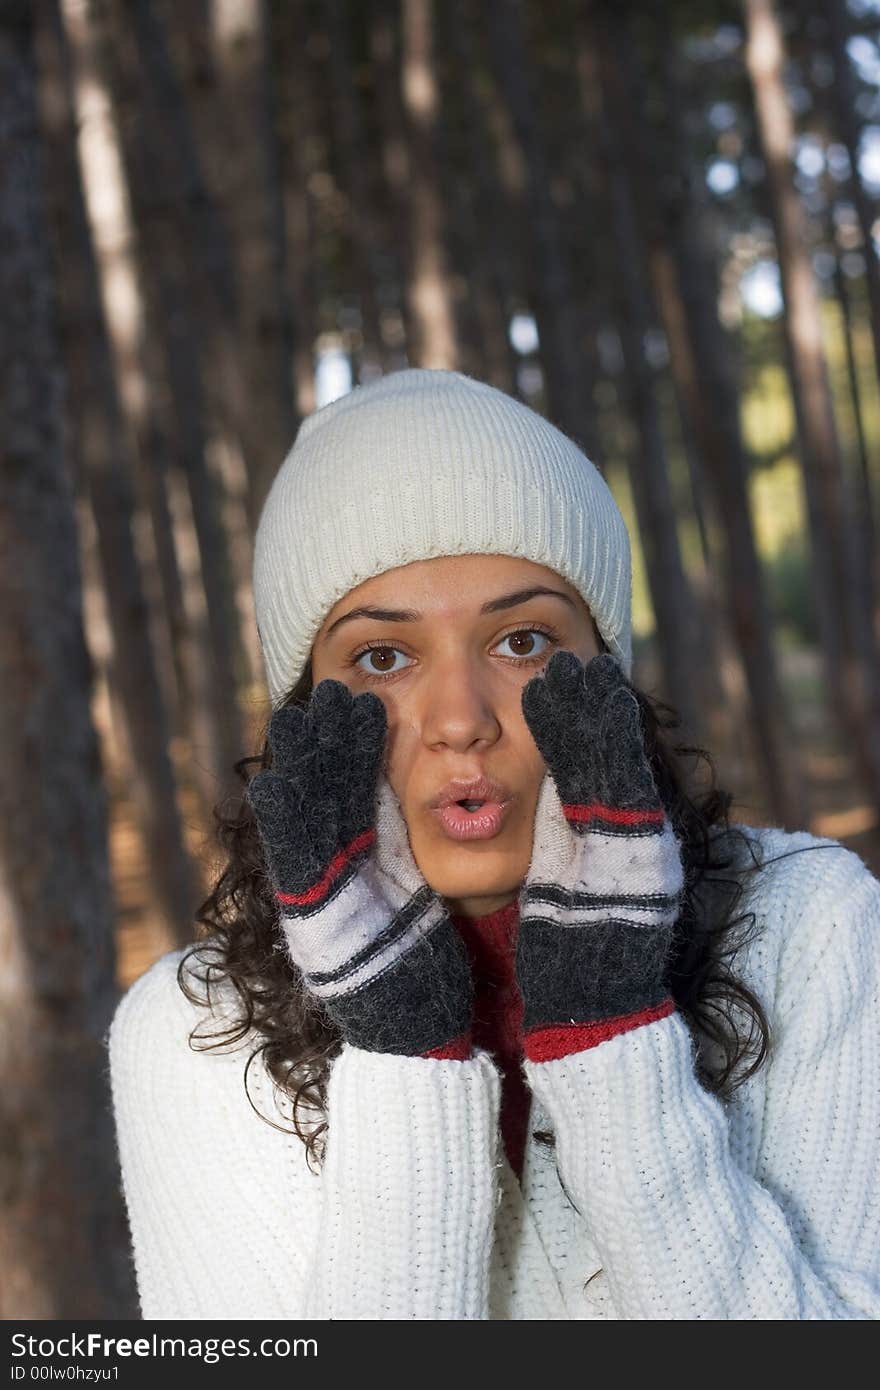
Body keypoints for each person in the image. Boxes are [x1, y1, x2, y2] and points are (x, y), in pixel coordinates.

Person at [107, 368, 880, 1320]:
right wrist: (404, 1059)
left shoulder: (810, 926)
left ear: (604, 678)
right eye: (383, 657)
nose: (460, 720)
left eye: (522, 641)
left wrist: (611, 1034)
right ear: (309, 714)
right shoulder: (191, 1034)